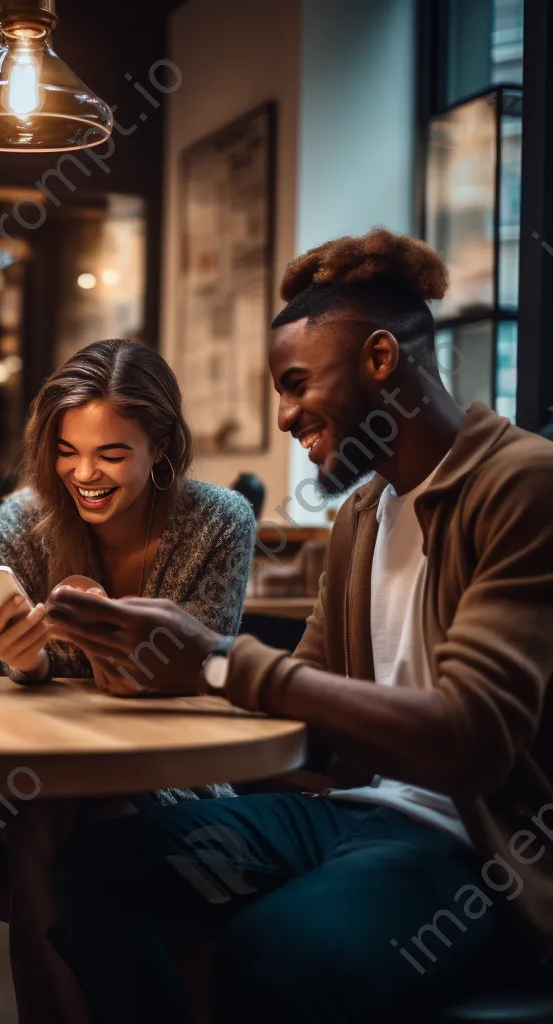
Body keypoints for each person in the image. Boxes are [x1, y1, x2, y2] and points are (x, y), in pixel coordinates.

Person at [46, 229, 553, 1023]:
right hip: (347, 813)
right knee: (88, 870)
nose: (283, 417)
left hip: (473, 848)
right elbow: (301, 707)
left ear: (381, 360)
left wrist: (215, 660)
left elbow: (472, 738)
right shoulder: (363, 513)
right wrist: (147, 657)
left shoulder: (521, 483)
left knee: (271, 956)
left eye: (294, 384)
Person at [0, 339, 256, 1023]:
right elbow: (33, 684)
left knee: (68, 823)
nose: (84, 474)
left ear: (159, 446)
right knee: (42, 809)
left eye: (110, 454)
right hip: (53, 775)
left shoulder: (220, 521)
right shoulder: (24, 521)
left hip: (172, 773)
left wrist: (108, 637)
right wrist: (27, 659)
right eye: (68, 451)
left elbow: (197, 681)